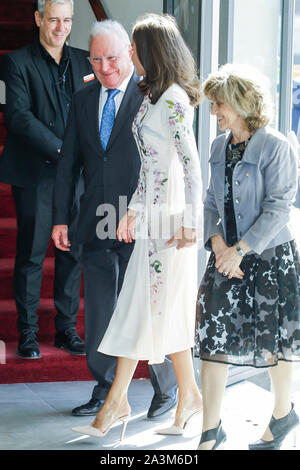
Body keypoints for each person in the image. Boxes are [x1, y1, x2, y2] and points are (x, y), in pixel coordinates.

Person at [71, 13, 203, 441]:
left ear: (151, 52)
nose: (130, 54)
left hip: (171, 225)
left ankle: (118, 403)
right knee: (152, 312)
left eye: (135, 47)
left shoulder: (176, 101)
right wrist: (131, 212)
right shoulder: (151, 98)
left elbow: (191, 166)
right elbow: (149, 168)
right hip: (149, 221)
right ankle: (187, 397)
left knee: (143, 309)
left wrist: (191, 223)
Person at [51, 20, 178, 419]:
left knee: (147, 306)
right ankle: (107, 390)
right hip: (95, 221)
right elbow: (69, 163)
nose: (105, 67)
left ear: (130, 55)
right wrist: (60, 218)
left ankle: (165, 387)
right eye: (97, 59)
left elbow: (164, 164)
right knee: (102, 310)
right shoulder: (83, 97)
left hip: (142, 221)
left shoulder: (152, 98)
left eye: (112, 58)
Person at [195, 63, 300, 450]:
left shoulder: (276, 146)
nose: (214, 112)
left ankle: (283, 413)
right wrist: (219, 246)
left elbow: (278, 208)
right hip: (226, 255)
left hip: (269, 257)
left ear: (241, 103)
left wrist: (240, 250)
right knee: (213, 336)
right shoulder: (218, 146)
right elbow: (209, 201)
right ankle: (209, 432)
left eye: (219, 104)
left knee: (273, 339)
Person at [0, 0, 92, 359]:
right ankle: (28, 333)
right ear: (38, 18)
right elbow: (18, 118)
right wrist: (63, 152)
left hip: (77, 177)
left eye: (67, 20)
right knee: (32, 255)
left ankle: (66, 328)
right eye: (53, 19)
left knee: (71, 253)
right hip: (35, 173)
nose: (60, 27)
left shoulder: (86, 62)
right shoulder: (14, 62)